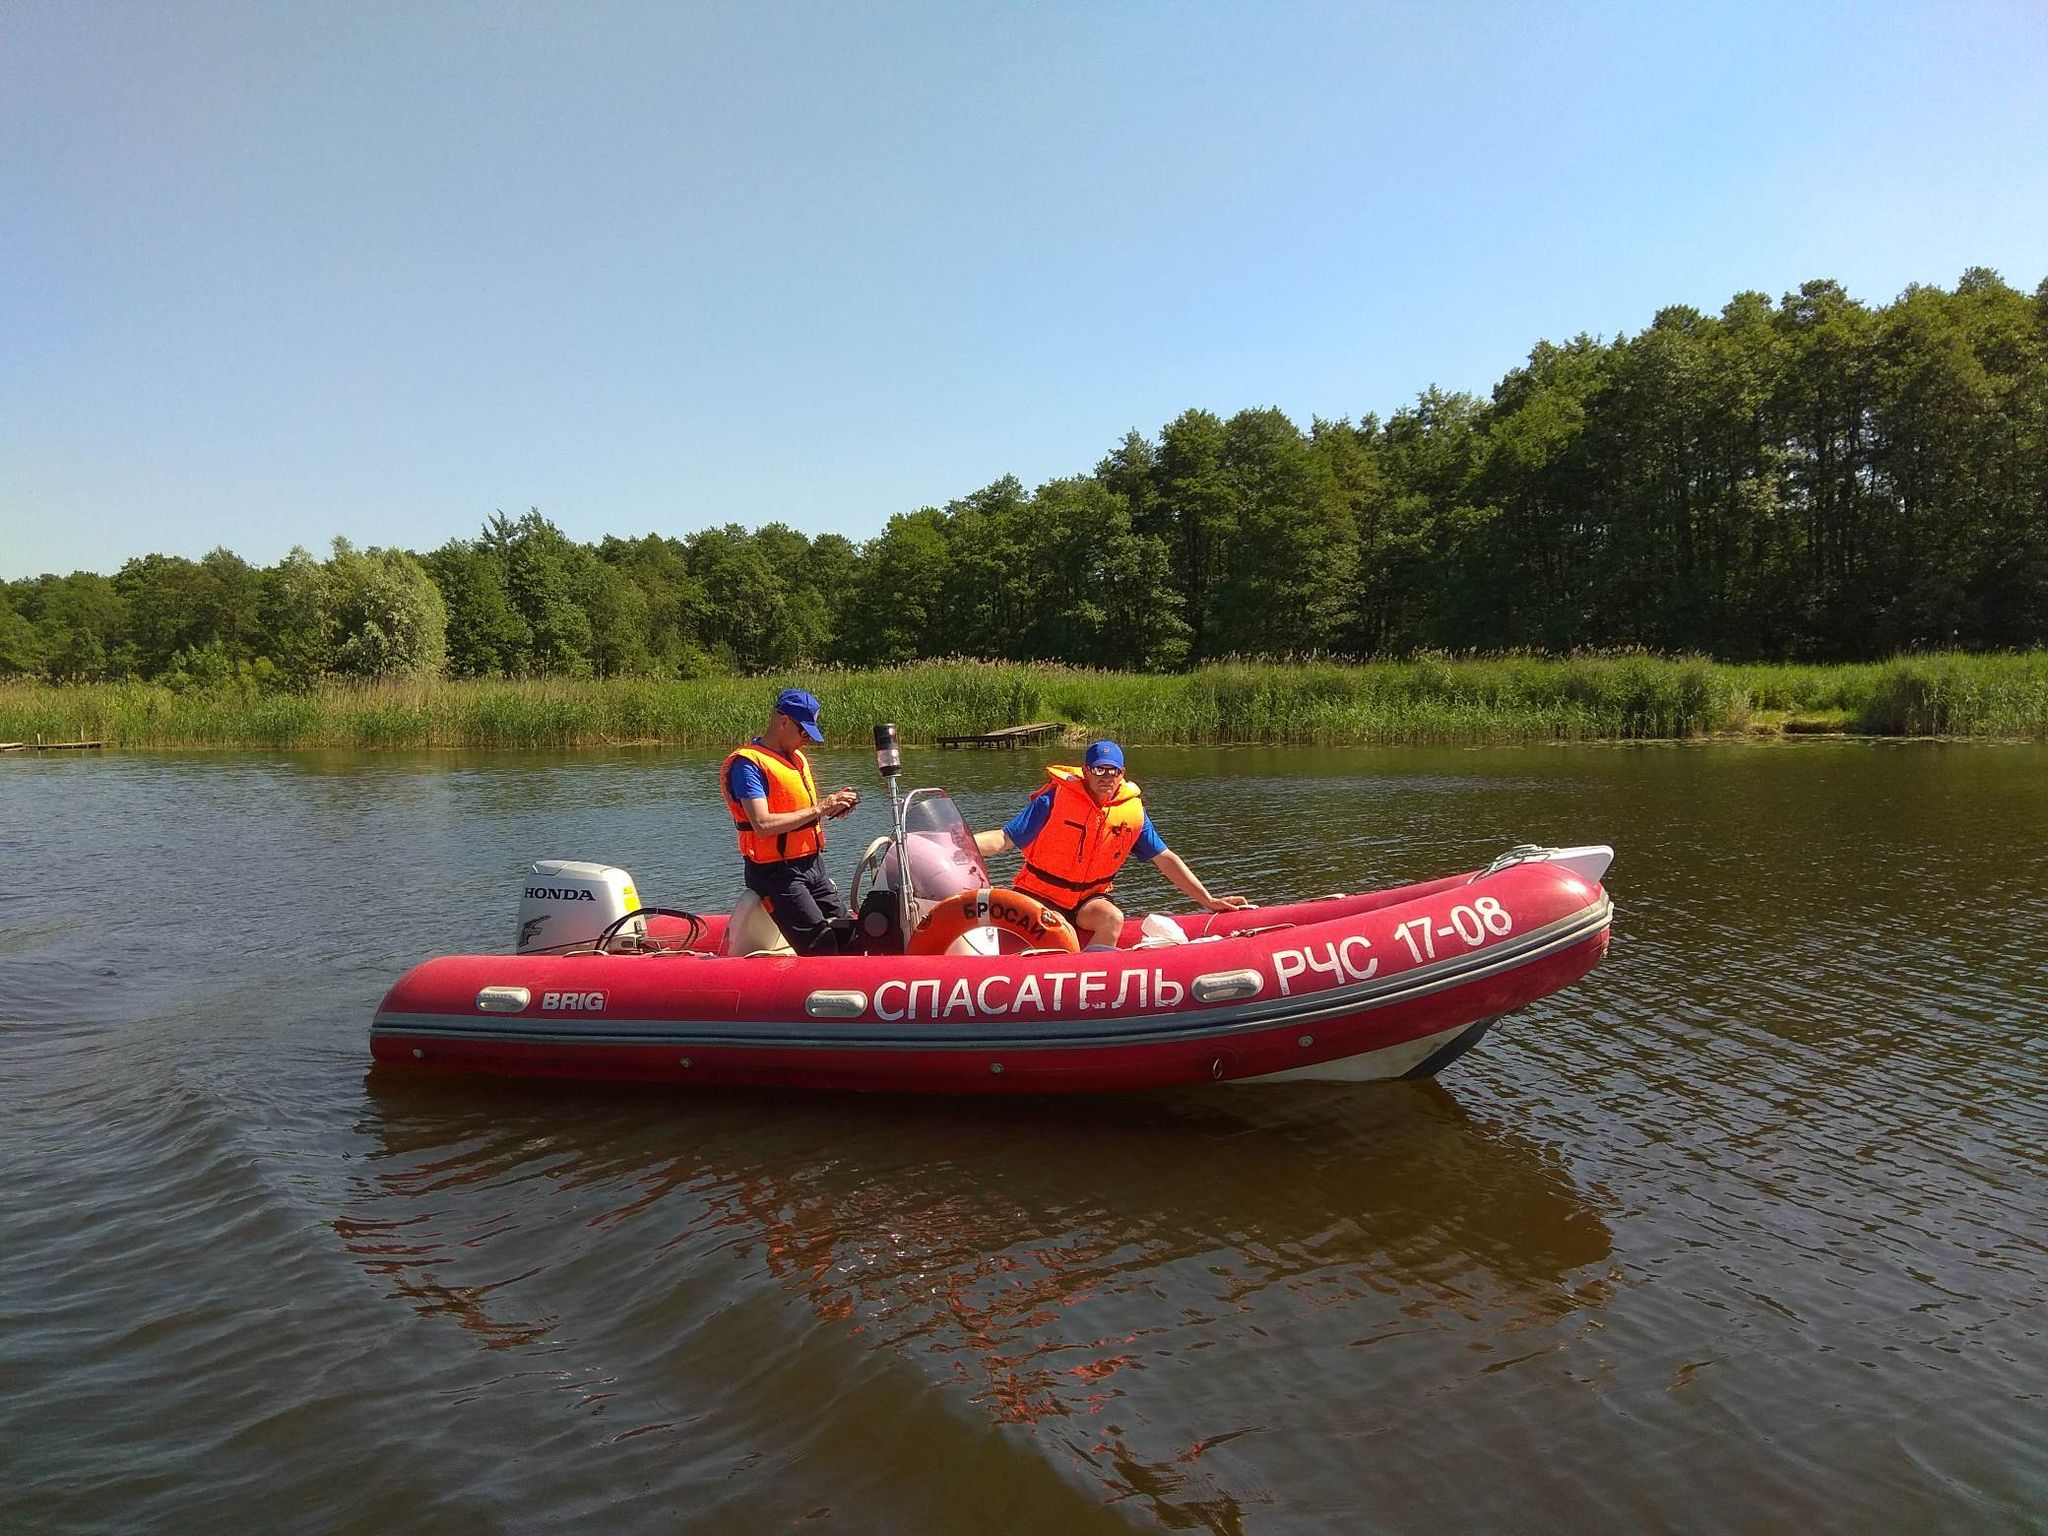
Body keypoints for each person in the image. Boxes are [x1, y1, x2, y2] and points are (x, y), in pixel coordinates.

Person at [973, 740, 1248, 948]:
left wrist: (1208, 900)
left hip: (1088, 899)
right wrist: (959, 845)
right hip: (1039, 895)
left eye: (1112, 771)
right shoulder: (1053, 801)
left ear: (1122, 773)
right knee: (1058, 931)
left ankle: (1090, 981)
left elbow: (1165, 858)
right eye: (1099, 769)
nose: (1106, 777)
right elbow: (1005, 838)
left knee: (1112, 918)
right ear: (1086, 771)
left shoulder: (1132, 814)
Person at [720, 688, 860, 954]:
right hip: (777, 874)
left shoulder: (795, 759)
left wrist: (833, 808)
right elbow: (762, 825)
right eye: (804, 732)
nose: (807, 740)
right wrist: (820, 809)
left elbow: (801, 813)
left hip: (812, 864)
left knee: (849, 936)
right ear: (784, 721)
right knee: (823, 946)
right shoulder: (748, 765)